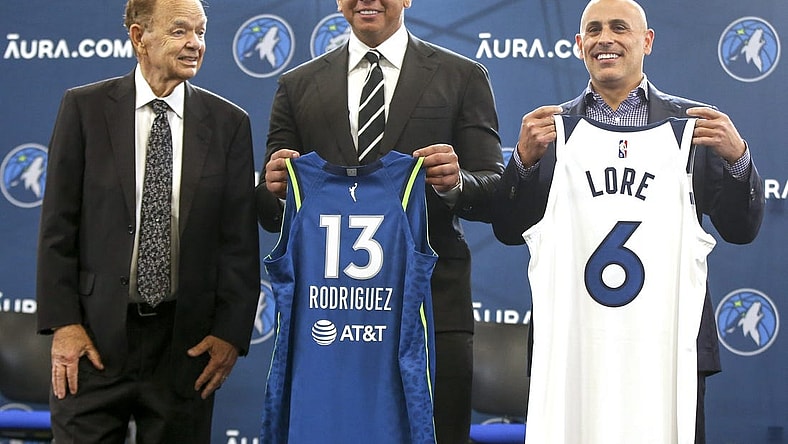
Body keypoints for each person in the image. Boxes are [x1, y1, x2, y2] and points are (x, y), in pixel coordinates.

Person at [492, 0, 764, 443]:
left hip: (668, 348)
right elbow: (507, 229)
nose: (606, 39)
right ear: (579, 46)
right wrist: (521, 164)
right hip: (574, 345)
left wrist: (739, 160)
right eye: (594, 30)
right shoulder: (550, 133)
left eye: (620, 28)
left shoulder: (692, 129)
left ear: (646, 41)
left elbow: (741, 229)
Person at [256, 0, 503, 441]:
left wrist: (455, 183)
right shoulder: (297, 85)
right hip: (329, 316)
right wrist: (274, 189)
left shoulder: (461, 75)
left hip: (430, 307)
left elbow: (494, 191)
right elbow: (273, 211)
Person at [35, 0, 260, 442]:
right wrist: (64, 326)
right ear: (140, 37)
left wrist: (229, 336)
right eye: (180, 31)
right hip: (93, 343)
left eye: (201, 32)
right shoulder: (84, 109)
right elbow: (58, 228)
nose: (195, 44)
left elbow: (238, 242)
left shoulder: (229, 123)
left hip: (185, 349)